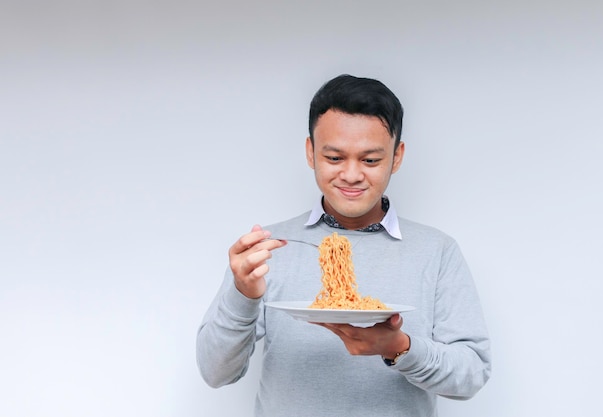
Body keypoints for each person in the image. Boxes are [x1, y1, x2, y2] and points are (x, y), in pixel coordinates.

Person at [196, 74, 491, 417]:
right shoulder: (270, 248)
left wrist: (400, 348)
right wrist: (242, 293)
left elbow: (472, 374)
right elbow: (215, 373)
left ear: (397, 157)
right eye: (335, 158)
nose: (351, 175)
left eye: (370, 160)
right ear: (311, 152)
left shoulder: (437, 251)